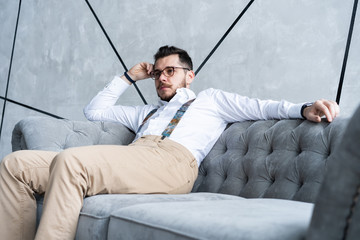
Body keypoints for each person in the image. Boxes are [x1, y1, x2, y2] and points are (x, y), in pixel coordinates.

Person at [0, 45, 340, 239]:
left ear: (189, 75)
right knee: (15, 165)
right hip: (136, 158)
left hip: (173, 165)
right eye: (158, 73)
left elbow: (260, 106)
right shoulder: (145, 114)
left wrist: (303, 107)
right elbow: (95, 111)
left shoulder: (210, 100)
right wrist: (130, 76)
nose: (162, 77)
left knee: (72, 162)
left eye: (171, 71)